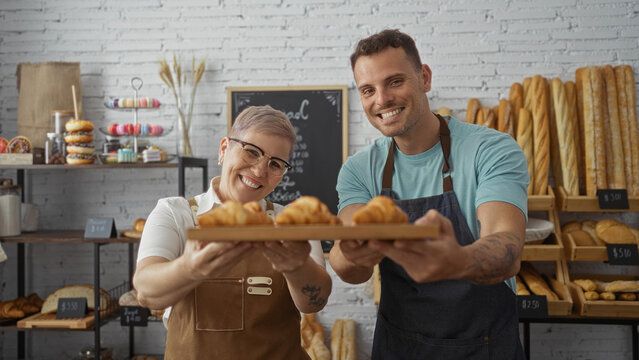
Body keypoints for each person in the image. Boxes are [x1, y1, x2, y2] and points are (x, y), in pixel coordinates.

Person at [329, 29, 528, 359]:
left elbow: (507, 247)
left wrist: (459, 260)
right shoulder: (359, 169)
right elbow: (347, 263)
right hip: (400, 348)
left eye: (395, 82)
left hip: (485, 347)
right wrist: (351, 252)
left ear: (424, 77)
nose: (381, 100)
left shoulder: (491, 149)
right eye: (368, 90)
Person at [133, 105, 331, 360]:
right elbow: (146, 293)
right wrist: (190, 268)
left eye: (275, 164)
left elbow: (314, 302)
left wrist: (296, 266)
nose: (260, 171)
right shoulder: (175, 213)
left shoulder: (291, 221)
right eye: (251, 152)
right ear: (224, 148)